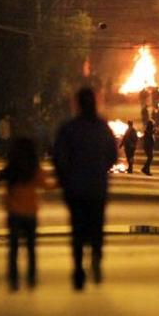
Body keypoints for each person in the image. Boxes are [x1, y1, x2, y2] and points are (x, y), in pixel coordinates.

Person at [53, 88, 118, 291]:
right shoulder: (102, 127)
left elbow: (59, 158)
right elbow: (112, 155)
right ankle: (96, 260)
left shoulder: (68, 128)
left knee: (78, 229)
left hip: (75, 187)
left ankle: (79, 268)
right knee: (96, 226)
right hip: (97, 187)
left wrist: (65, 179)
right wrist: (99, 169)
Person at [0, 138, 52, 290]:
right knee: (31, 247)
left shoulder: (10, 168)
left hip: (14, 212)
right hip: (30, 212)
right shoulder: (34, 168)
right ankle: (31, 277)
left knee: (13, 247)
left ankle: (13, 278)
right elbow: (46, 186)